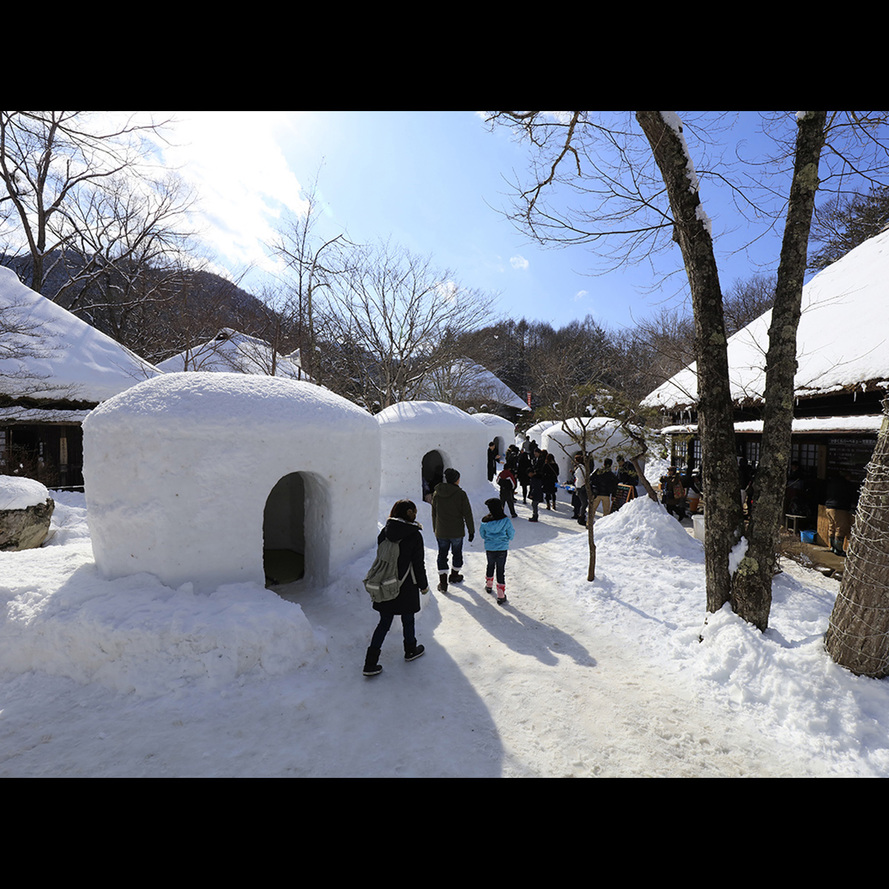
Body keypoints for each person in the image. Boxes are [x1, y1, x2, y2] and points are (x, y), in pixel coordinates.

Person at [363, 500, 429, 677]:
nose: (416, 514)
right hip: (406, 585)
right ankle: (410, 650)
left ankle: (370, 663)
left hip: (386, 583)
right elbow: (418, 564)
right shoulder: (414, 535)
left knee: (384, 623)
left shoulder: (384, 532)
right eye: (414, 511)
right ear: (408, 512)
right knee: (408, 619)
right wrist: (423, 586)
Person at [431, 467, 475, 592]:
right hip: (456, 531)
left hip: (441, 531)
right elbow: (467, 513)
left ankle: (443, 583)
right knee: (457, 553)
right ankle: (454, 575)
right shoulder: (461, 494)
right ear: (456, 480)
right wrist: (471, 530)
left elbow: (434, 513)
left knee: (442, 555)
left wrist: (435, 528)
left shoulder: (437, 493)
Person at [479, 497, 515, 606]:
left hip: (490, 548)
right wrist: (506, 538)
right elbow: (511, 534)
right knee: (500, 569)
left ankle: (489, 585)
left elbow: (482, 535)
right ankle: (500, 594)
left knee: (490, 565)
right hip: (502, 549)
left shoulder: (485, 521)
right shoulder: (506, 520)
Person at [824, 469, 858, 556]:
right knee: (840, 528)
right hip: (839, 508)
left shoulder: (832, 482)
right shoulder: (846, 485)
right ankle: (838, 550)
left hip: (828, 507)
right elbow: (852, 495)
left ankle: (832, 547)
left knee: (832, 527)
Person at [572, 452, 589, 526]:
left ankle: (581, 516)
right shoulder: (581, 468)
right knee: (583, 502)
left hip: (580, 486)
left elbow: (580, 478)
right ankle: (581, 515)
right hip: (580, 486)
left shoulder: (581, 468)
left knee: (583, 502)